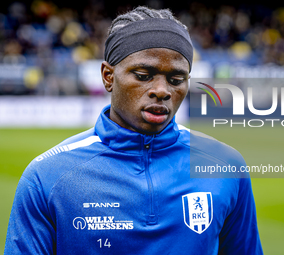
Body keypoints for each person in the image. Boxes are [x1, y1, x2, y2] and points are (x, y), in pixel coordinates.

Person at [4, 6, 263, 254]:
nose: (162, 91)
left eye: (176, 80)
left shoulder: (225, 166)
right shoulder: (46, 177)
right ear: (108, 76)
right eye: (143, 75)